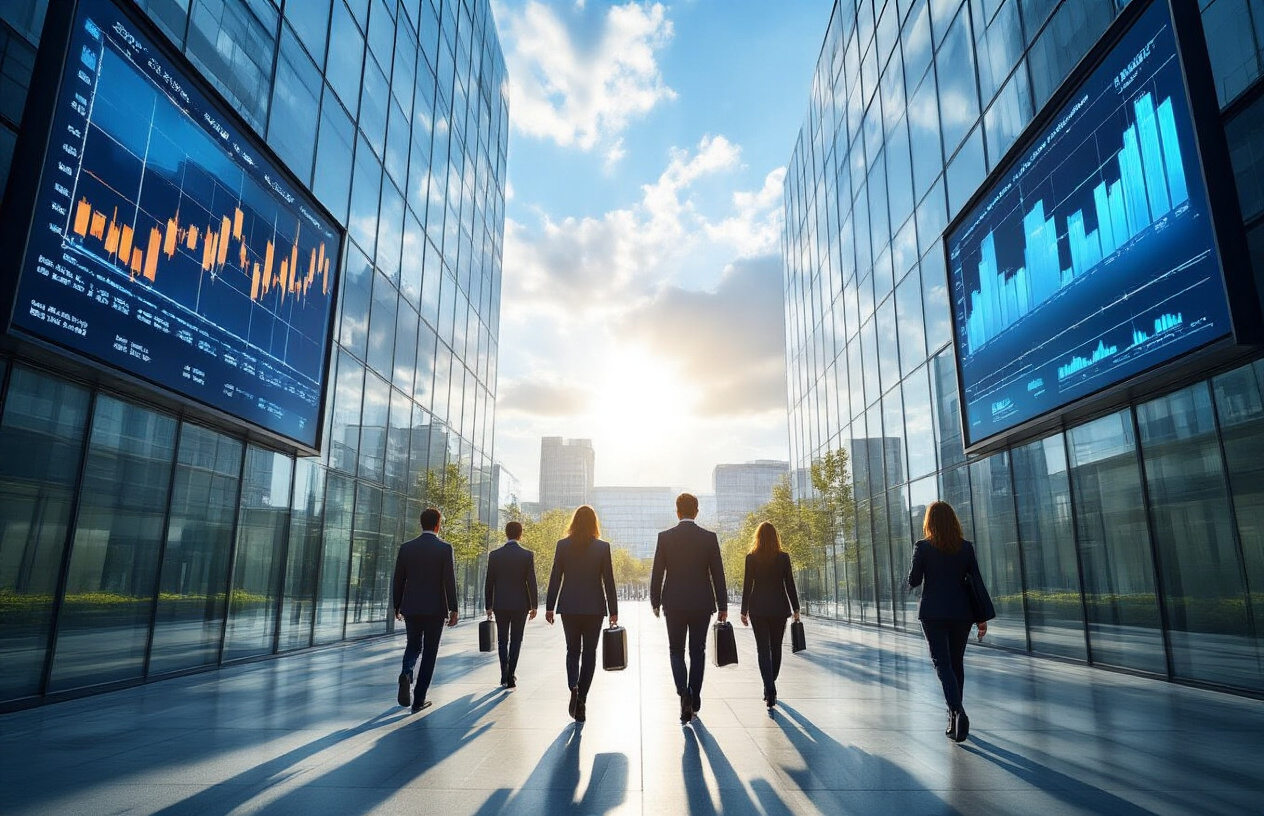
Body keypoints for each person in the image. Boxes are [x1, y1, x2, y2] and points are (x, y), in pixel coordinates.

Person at [907, 500, 990, 743]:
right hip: (962, 613)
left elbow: (914, 580)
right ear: (953, 521)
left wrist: (912, 572)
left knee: (941, 664)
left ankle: (957, 712)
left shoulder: (922, 547)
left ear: (929, 522)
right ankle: (954, 716)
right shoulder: (966, 548)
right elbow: (977, 582)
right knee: (956, 664)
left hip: (933, 613)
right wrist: (981, 618)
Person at [649, 492, 727, 723]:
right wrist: (722, 605)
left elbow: (657, 573)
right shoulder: (709, 538)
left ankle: (683, 693)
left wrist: (655, 600)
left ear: (677, 511)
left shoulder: (665, 537)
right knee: (698, 651)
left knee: (675, 650)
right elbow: (718, 575)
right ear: (697, 511)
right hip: (701, 603)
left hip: (673, 602)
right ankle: (694, 695)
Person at [545, 505, 618, 723]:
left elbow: (555, 577)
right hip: (594, 607)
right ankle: (582, 698)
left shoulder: (562, 545)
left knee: (572, 650)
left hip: (569, 606)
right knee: (589, 653)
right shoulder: (603, 547)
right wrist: (613, 611)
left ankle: (573, 686)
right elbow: (609, 581)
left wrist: (550, 606)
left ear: (574, 522)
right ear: (594, 523)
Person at [392, 507, 459, 713]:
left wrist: (397, 605)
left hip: (411, 607)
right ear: (438, 524)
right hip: (435, 609)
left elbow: (398, 579)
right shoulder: (444, 548)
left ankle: (406, 671)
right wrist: (454, 608)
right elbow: (449, 580)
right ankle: (419, 699)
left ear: (421, 524)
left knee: (413, 645)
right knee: (430, 652)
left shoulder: (406, 548)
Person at [739, 521, 800, 709]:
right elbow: (789, 583)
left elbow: (747, 585)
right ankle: (770, 684)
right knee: (776, 648)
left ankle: (769, 688)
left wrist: (744, 610)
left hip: (758, 608)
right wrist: (796, 609)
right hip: (779, 608)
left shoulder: (751, 558)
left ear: (758, 537)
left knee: (763, 650)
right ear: (776, 537)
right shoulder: (783, 558)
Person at [485, 520, 538, 688]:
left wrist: (488, 605)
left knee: (502, 640)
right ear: (520, 534)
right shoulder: (527, 555)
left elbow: (489, 582)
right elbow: (532, 582)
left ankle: (503, 674)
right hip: (520, 605)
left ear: (506, 533)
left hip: (500, 604)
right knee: (516, 640)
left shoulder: (494, 555)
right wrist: (534, 605)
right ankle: (511, 674)